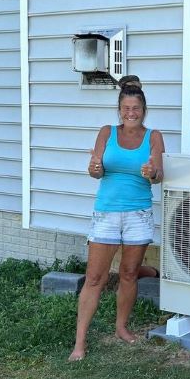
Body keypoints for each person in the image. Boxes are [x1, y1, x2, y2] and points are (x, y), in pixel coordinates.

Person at [69, 76, 165, 361]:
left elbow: (159, 175)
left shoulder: (154, 136)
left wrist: (152, 172)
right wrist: (94, 167)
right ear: (119, 109)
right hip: (107, 212)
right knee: (95, 277)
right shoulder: (106, 132)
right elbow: (96, 172)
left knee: (128, 274)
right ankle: (79, 343)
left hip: (138, 214)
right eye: (126, 108)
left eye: (136, 108)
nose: (131, 113)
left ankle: (121, 328)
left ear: (143, 110)